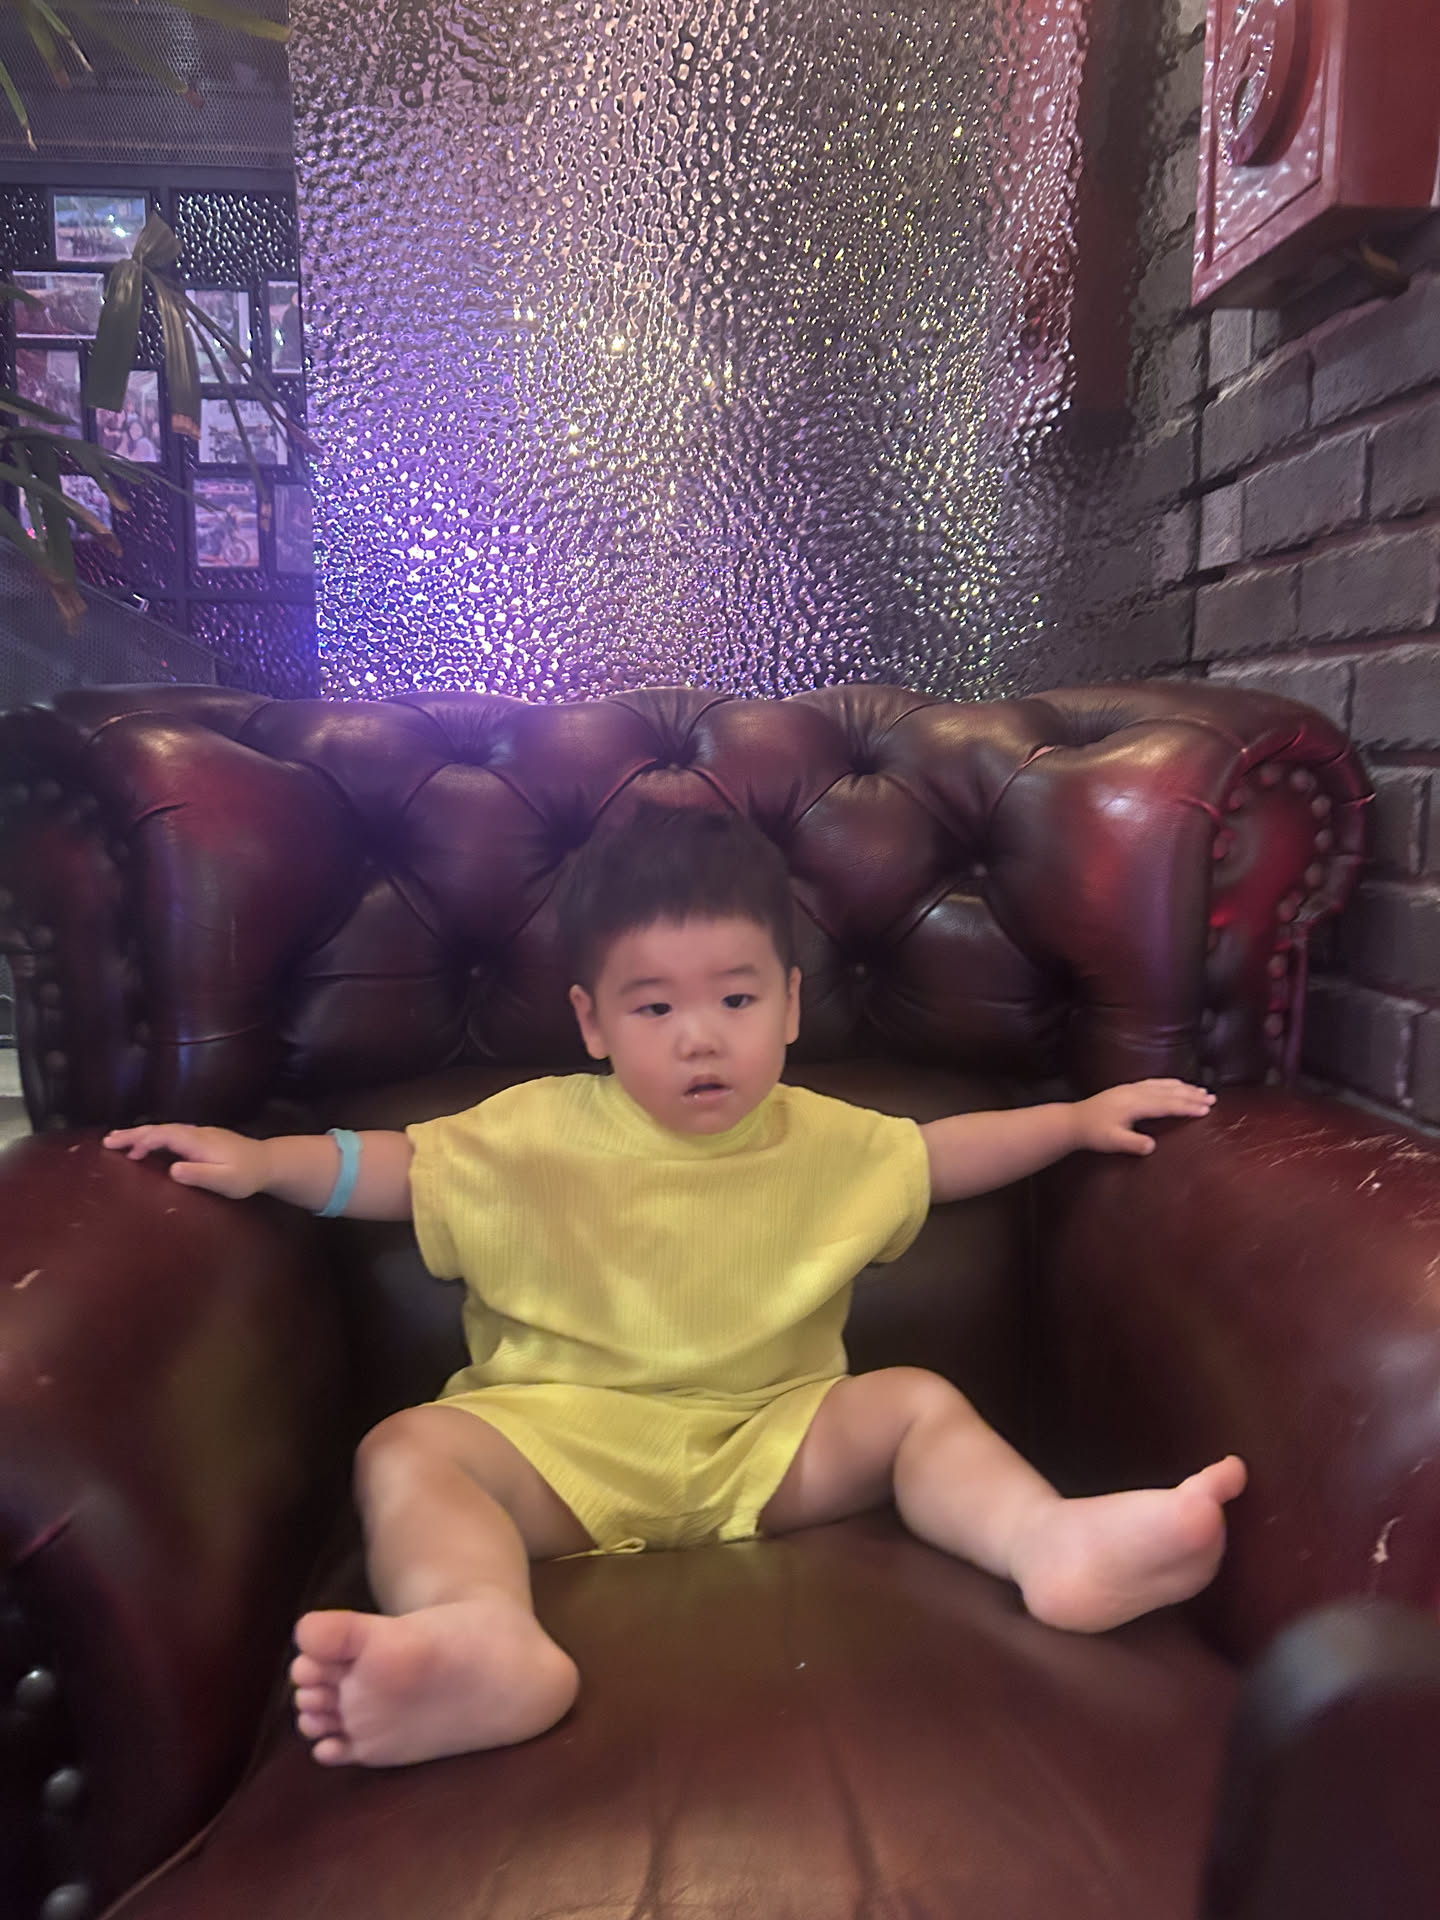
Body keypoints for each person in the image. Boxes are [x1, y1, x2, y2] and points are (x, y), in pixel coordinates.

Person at [103, 804, 1246, 1771]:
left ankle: (1049, 1544)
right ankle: (483, 1641)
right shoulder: (530, 1131)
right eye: (654, 1008)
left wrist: (1076, 1119)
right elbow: (396, 1167)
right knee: (407, 1450)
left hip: (772, 1439)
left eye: (736, 1002)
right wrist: (263, 1161)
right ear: (593, 1023)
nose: (700, 1039)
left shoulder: (829, 1138)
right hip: (562, 1447)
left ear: (790, 1005)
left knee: (914, 1404)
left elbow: (944, 1154)